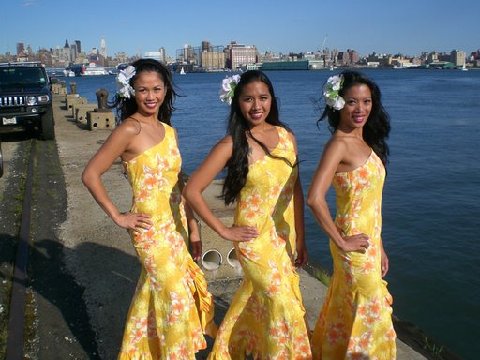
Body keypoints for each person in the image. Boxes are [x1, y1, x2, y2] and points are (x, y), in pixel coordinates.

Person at [82, 58, 216, 359]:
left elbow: (179, 183)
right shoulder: (128, 129)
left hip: (176, 224)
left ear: (166, 90)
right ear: (132, 91)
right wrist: (118, 216)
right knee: (176, 298)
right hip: (148, 229)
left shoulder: (170, 131)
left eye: (157, 89)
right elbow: (90, 174)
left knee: (154, 293)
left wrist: (193, 227)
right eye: (143, 90)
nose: (150, 96)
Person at [184, 70, 311, 359]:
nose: (257, 106)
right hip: (252, 238)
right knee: (282, 303)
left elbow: (297, 190)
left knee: (261, 298)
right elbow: (192, 190)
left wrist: (300, 238)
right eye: (248, 99)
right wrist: (224, 231)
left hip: (282, 234)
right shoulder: (233, 144)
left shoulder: (287, 136)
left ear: (272, 100)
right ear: (237, 103)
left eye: (263, 98)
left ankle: (238, 349)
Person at [307, 70, 396, 358]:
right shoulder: (339, 144)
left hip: (368, 244)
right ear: (338, 104)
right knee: (370, 313)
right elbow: (315, 198)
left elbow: (373, 204)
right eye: (352, 102)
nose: (360, 109)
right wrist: (342, 241)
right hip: (351, 245)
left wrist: (380, 246)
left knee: (350, 309)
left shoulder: (366, 142)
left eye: (366, 102)